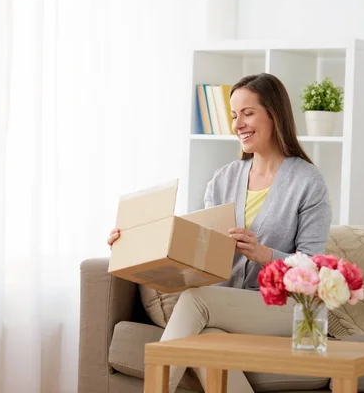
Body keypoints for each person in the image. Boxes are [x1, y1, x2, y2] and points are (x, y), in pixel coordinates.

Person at [107, 73, 332, 393]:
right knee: (207, 339)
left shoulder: (308, 182)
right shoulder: (223, 179)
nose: (238, 123)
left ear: (275, 114)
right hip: (230, 303)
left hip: (290, 308)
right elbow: (199, 250)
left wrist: (264, 254)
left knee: (196, 301)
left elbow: (314, 269)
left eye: (248, 113)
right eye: (233, 115)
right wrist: (131, 241)